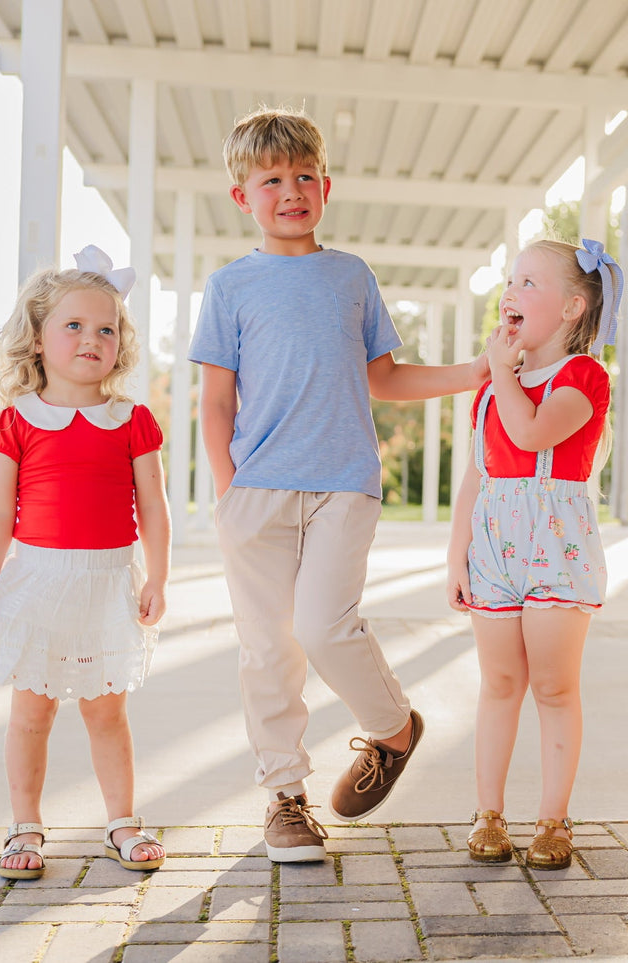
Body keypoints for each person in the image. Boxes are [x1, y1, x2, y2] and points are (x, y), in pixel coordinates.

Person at [190, 107, 489, 863]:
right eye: (271, 180)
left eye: (302, 178)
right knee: (267, 649)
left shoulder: (350, 274)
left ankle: (393, 727)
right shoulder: (229, 287)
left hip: (343, 487)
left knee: (324, 626)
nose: (289, 191)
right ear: (241, 197)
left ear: (325, 186)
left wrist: (477, 372)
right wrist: (229, 490)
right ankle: (285, 798)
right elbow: (217, 400)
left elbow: (384, 376)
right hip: (255, 491)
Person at [0, 246, 171, 881]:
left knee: (107, 712)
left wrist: (157, 576)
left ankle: (122, 821)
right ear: (36, 339)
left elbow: (154, 510)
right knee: (32, 712)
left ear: (121, 344)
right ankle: (24, 825)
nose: (92, 339)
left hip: (108, 582)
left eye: (106, 328)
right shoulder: (17, 422)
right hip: (38, 584)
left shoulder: (131, 420)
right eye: (74, 326)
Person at [446, 238, 619, 870]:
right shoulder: (494, 388)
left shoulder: (584, 378)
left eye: (528, 283)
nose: (510, 292)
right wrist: (456, 553)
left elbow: (531, 432)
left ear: (574, 306)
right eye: (510, 281)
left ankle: (553, 819)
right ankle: (488, 812)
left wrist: (498, 371)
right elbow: (478, 473)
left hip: (556, 543)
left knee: (552, 684)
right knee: (498, 683)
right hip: (493, 545)